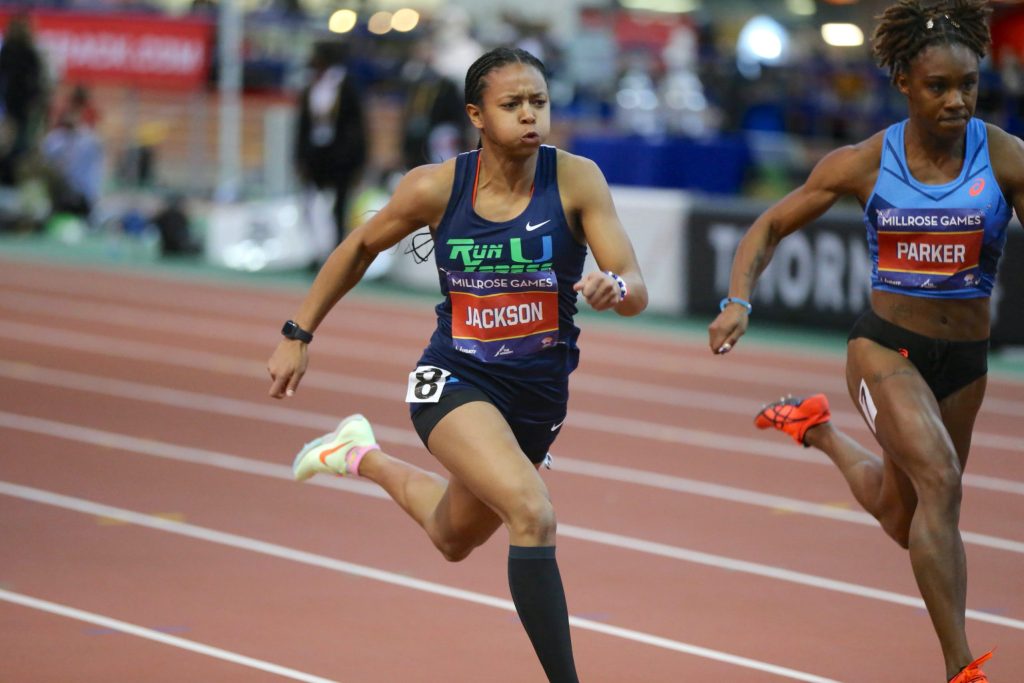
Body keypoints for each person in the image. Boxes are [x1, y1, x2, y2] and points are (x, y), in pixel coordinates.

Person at [268, 47, 647, 683]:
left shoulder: (577, 179)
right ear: (476, 114)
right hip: (453, 380)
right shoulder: (435, 187)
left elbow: (634, 285)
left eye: (539, 103)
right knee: (533, 513)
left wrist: (616, 288)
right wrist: (297, 331)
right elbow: (359, 245)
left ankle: (358, 454)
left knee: (452, 537)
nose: (530, 117)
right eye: (512, 105)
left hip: (536, 401)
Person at [707, 2, 1017, 681]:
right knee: (942, 480)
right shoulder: (864, 162)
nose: (958, 100)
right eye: (940, 86)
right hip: (885, 350)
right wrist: (738, 300)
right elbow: (767, 226)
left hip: (965, 362)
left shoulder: (1003, 156)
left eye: (969, 85)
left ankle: (816, 429)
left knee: (906, 517)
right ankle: (962, 667)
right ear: (904, 81)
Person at [294, 41, 367, 250]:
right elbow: (302, 125)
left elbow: (357, 126)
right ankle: (315, 249)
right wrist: (299, 157)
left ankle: (338, 249)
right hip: (314, 154)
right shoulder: (311, 86)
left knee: (339, 206)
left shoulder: (346, 86)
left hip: (340, 156)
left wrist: (359, 159)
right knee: (312, 203)